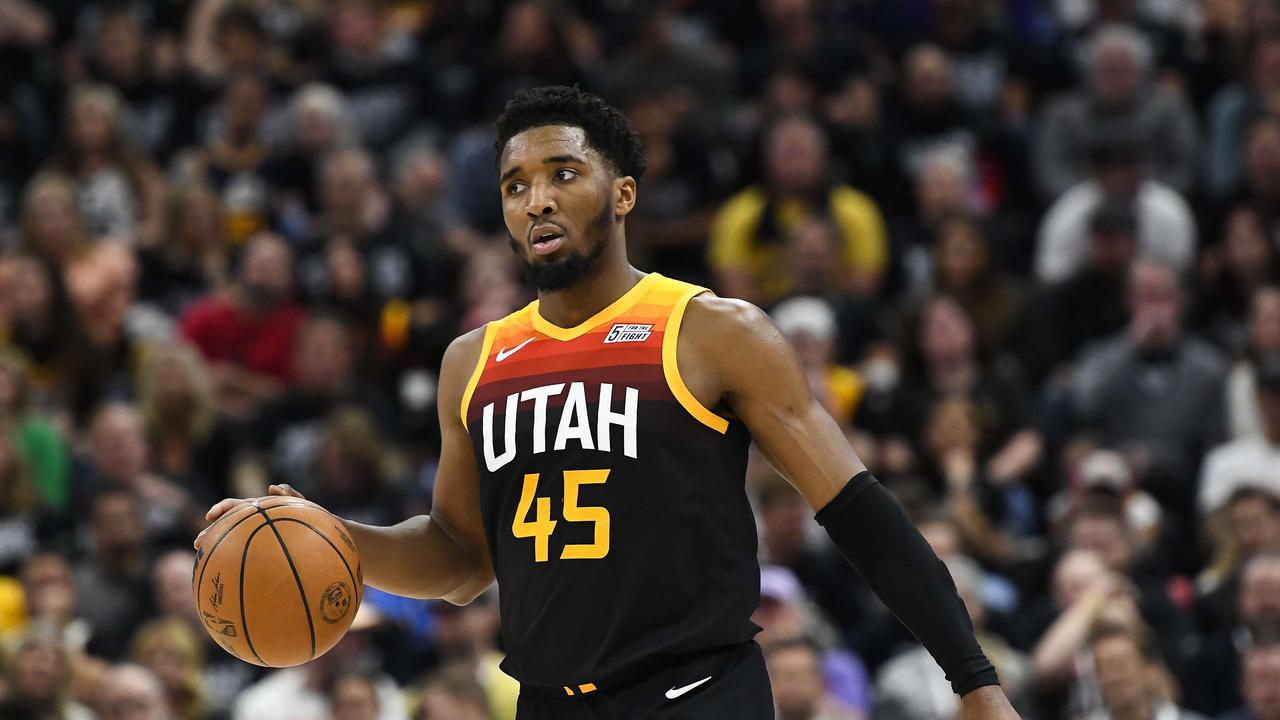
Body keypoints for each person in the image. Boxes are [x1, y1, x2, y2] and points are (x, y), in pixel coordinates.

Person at [198, 86, 1018, 719]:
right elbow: (459, 561)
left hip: (697, 693)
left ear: (622, 194)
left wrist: (973, 680)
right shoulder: (472, 363)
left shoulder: (710, 330)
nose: (537, 200)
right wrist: (335, 537)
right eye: (515, 185)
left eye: (563, 174)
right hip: (549, 704)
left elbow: (860, 514)